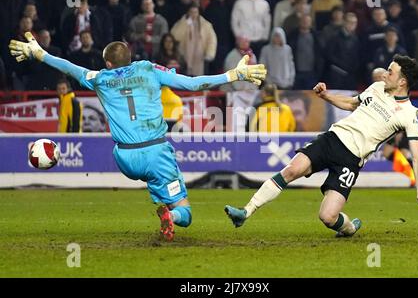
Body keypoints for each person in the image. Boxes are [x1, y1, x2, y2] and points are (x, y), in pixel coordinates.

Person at [9, 32, 266, 241]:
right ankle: (171, 216)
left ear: (108, 64)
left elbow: (70, 67)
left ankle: (162, 198)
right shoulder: (149, 70)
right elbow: (192, 83)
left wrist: (40, 54)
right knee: (184, 212)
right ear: (130, 58)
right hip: (155, 152)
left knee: (151, 177)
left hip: (124, 158)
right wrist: (233, 74)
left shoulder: (100, 78)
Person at [225, 54, 418, 238]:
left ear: (402, 81)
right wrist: (325, 95)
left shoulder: (409, 114)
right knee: (292, 170)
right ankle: (245, 212)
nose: (385, 74)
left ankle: (350, 228)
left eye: (390, 72)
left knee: (327, 216)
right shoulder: (377, 87)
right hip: (332, 139)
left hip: (351, 160)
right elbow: (352, 103)